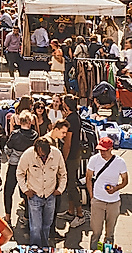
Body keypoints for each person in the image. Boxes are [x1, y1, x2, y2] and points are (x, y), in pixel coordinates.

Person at [16, 137, 65, 247]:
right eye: (41, 155)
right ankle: (36, 248)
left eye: (45, 155)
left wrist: (60, 189)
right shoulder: (28, 154)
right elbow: (19, 173)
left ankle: (45, 247)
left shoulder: (57, 154)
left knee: (47, 225)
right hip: (34, 196)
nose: (43, 156)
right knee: (35, 227)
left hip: (50, 195)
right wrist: (25, 190)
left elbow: (63, 174)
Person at [86, 137, 129, 248]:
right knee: (96, 232)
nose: (102, 153)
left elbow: (125, 181)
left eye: (105, 150)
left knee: (110, 234)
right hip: (98, 200)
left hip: (113, 202)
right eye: (100, 150)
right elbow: (88, 178)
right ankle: (94, 250)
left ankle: (107, 250)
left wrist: (116, 188)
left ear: (111, 149)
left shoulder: (120, 162)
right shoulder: (94, 159)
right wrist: (92, 196)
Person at [3, 111, 37, 225]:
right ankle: (27, 216)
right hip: (29, 167)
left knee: (8, 191)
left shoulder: (15, 134)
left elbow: (7, 149)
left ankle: (7, 216)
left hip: (14, 165)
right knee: (28, 191)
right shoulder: (35, 135)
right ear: (29, 121)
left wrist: (11, 155)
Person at [57, 97, 85, 227]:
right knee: (69, 184)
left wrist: (63, 159)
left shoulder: (70, 120)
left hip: (71, 157)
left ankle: (80, 214)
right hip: (75, 155)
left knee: (71, 185)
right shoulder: (76, 117)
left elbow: (67, 143)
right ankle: (70, 211)